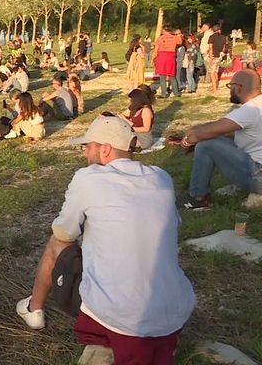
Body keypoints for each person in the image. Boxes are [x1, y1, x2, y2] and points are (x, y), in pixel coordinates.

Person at [16, 115, 195, 364]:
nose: (83, 154)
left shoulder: (88, 178)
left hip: (124, 318)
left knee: (56, 244)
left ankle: (34, 309)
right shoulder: (160, 177)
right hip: (175, 311)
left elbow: (63, 233)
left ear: (105, 149)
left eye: (86, 146)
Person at [180, 69, 262, 210]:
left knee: (206, 144)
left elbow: (206, 132)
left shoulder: (250, 109)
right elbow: (222, 130)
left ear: (239, 87)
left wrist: (189, 138)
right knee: (216, 139)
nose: (230, 91)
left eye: (231, 86)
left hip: (258, 176)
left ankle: (198, 198)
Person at [153, 26, 181, 98]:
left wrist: (153, 58)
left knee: (162, 76)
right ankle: (176, 93)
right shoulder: (174, 37)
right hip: (171, 56)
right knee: (172, 75)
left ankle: (164, 93)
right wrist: (177, 34)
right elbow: (180, 42)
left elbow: (156, 49)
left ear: (164, 30)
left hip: (162, 56)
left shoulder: (160, 38)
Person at [207, 25, 225, 93]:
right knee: (216, 72)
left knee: (212, 73)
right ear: (219, 30)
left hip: (213, 56)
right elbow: (223, 47)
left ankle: (214, 88)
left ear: (213, 30)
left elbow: (210, 48)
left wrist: (210, 57)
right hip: (219, 56)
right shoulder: (223, 37)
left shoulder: (211, 37)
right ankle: (215, 86)